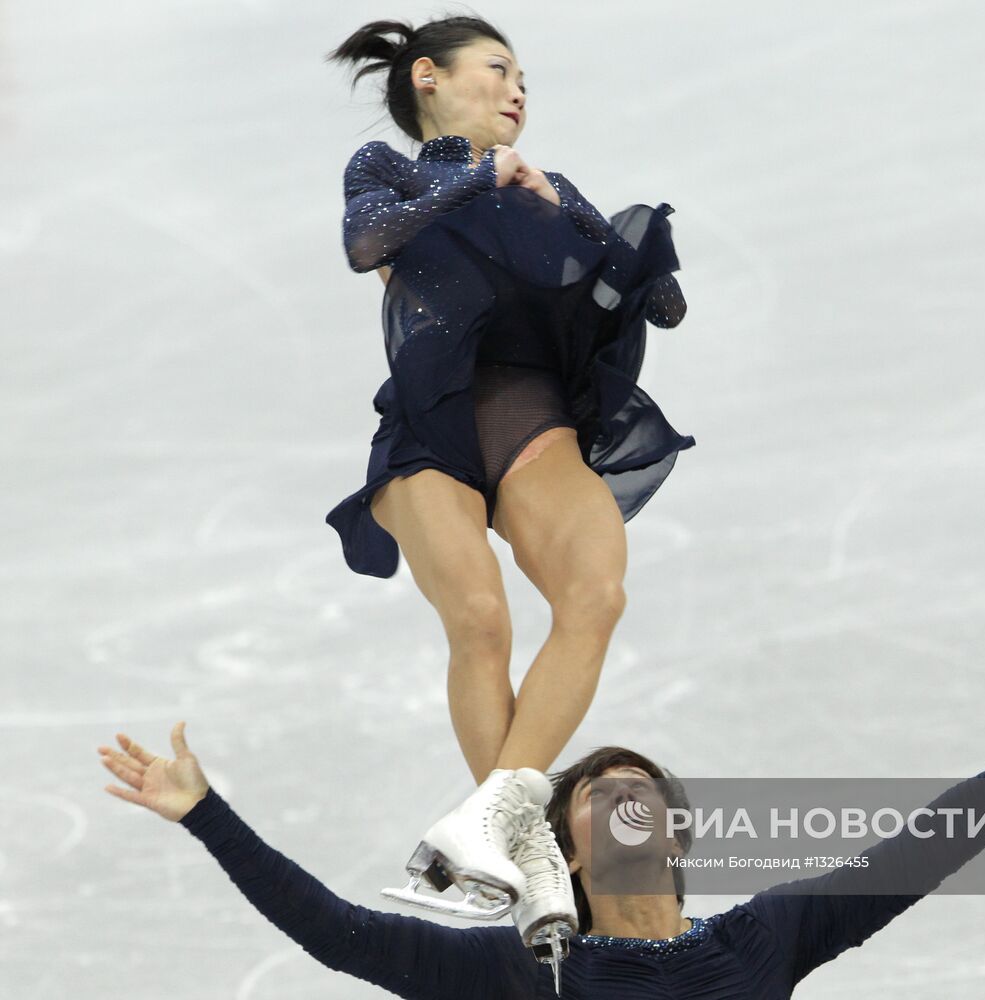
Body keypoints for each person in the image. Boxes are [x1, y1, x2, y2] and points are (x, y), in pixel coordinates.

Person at [96, 645, 985, 998]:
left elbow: (933, 845)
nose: (623, 789)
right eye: (593, 787)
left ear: (671, 831)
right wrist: (206, 814)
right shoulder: (531, 975)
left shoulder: (764, 938)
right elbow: (345, 935)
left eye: (641, 785)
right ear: (564, 847)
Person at [318, 15, 693, 960]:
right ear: (430, 78)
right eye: (498, 70)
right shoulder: (392, 172)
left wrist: (643, 272)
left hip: (533, 426)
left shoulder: (555, 191)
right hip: (432, 433)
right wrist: (476, 176)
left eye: (525, 75)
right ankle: (530, 855)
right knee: (481, 618)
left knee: (595, 593)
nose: (518, 88)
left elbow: (629, 292)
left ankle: (499, 821)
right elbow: (367, 244)